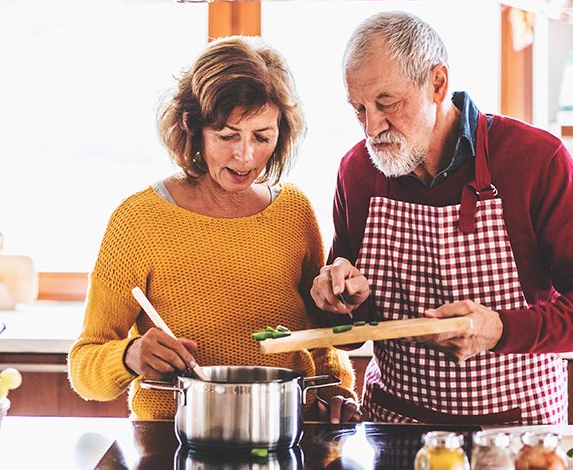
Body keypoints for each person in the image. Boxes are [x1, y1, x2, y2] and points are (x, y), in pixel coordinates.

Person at [310, 11, 573, 425]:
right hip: (393, 428)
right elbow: (343, 324)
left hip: (517, 433)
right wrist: (343, 300)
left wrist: (500, 329)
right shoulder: (358, 171)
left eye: (386, 102)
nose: (372, 127)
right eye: (358, 108)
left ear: (437, 83)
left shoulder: (533, 159)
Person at [70, 36, 359, 423]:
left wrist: (336, 389)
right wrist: (129, 355)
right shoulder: (139, 220)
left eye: (262, 136)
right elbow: (85, 366)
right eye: (226, 136)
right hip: (175, 440)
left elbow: (318, 336)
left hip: (285, 429)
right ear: (193, 130)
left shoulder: (294, 211)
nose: (245, 156)